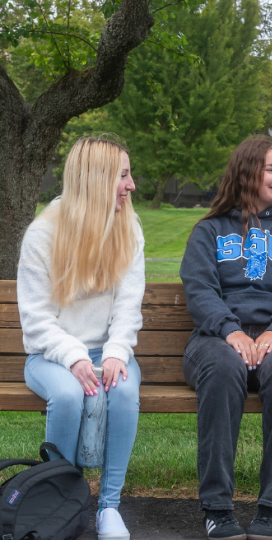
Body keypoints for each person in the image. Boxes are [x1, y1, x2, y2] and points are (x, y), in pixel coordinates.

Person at [180, 135, 272, 540]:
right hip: (215, 339)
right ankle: (216, 507)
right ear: (248, 172)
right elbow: (199, 290)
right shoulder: (209, 231)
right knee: (221, 366)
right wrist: (230, 330)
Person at [18, 137, 145, 540]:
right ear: (96, 180)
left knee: (123, 392)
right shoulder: (43, 234)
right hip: (51, 356)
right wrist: (74, 358)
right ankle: (61, 504)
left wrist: (115, 354)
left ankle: (109, 507)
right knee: (70, 395)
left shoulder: (128, 228)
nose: (132, 185)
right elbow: (37, 322)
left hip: (107, 351)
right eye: (123, 176)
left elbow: (128, 308)